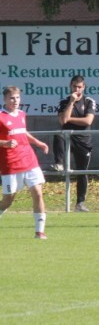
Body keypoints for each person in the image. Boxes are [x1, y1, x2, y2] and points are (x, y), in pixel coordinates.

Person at [0, 86, 50, 239]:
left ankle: (39, 232)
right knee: (8, 200)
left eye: (17, 97)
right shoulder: (1, 116)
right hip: (11, 163)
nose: (15, 101)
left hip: (29, 160)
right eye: (11, 98)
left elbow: (23, 132)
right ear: (5, 99)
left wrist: (38, 142)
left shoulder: (21, 114)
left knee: (38, 193)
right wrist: (5, 144)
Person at [51, 75, 96, 212]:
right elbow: (63, 122)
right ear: (70, 86)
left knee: (82, 172)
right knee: (58, 135)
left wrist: (69, 118)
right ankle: (59, 163)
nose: (77, 89)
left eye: (80, 87)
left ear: (84, 87)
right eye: (74, 86)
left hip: (83, 140)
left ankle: (80, 203)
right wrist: (71, 102)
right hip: (68, 137)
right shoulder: (64, 102)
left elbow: (88, 121)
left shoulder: (89, 101)